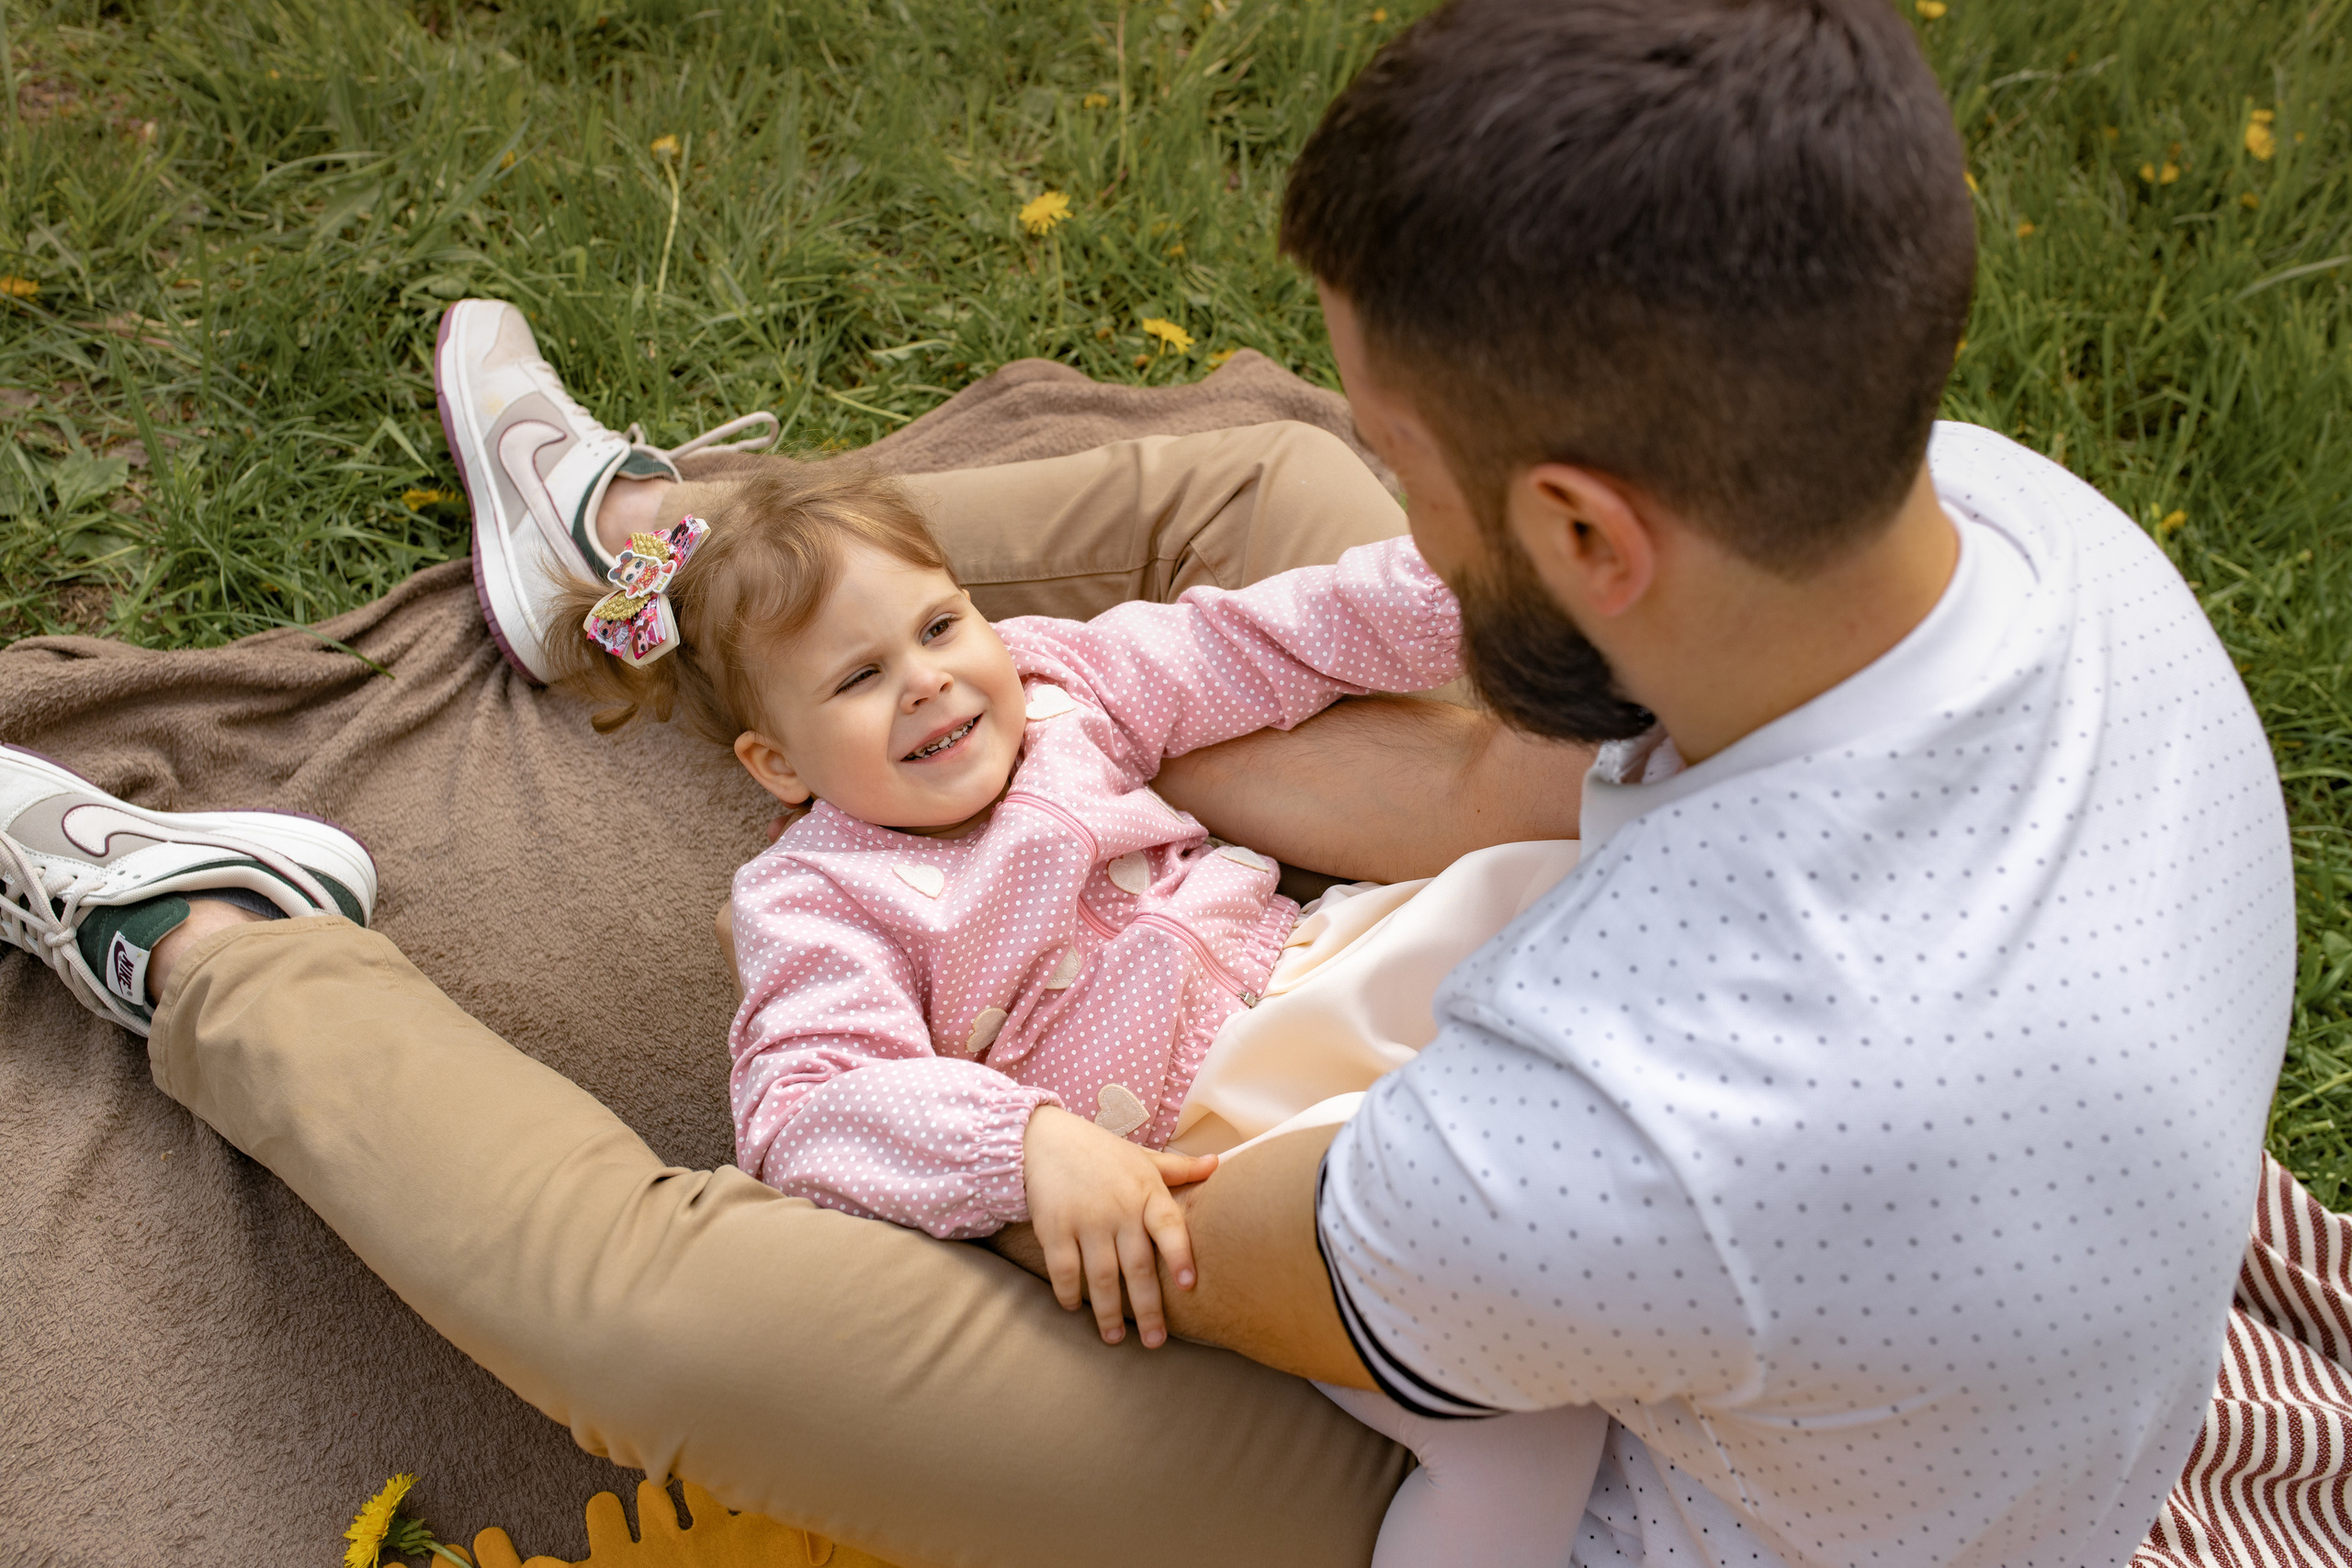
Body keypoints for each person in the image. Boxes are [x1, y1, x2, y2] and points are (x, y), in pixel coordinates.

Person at [0, 4, 2297, 1567]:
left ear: (1593, 537)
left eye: (1413, 465)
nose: (1377, 488)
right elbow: (1496, 708)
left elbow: (1174, 1226)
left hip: (1497, 1456)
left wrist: (1043, 949)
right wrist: (1097, 741)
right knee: (1237, 522)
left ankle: (209, 940)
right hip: (1647, 1125)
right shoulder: (2023, 526)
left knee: (661, 1312)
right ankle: (670, 567)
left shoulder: (1638, 1126)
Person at [541, 460, 1605, 1565]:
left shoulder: (1060, 683)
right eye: (859, 677)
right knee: (1516, 1431)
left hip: (1324, 969)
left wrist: (1493, 593)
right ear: (777, 765)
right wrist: (1023, 1144)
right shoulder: (812, 897)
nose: (926, 681)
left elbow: (1271, 639)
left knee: (1556, 892)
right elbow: (803, 1105)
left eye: (942, 625)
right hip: (1217, 1146)